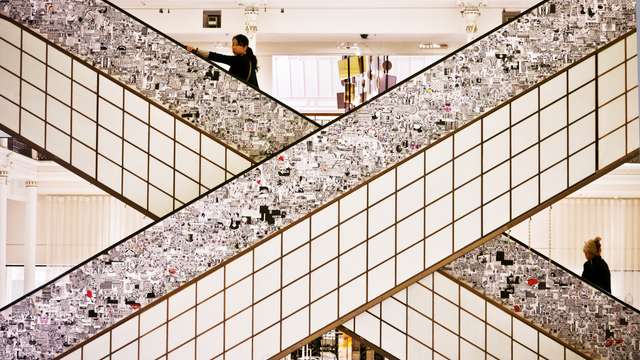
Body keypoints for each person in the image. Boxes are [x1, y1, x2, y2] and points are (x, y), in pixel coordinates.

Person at [187, 34, 259, 89]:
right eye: (233, 44)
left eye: (237, 45)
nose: (234, 47)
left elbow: (219, 57)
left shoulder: (241, 60)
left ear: (245, 47)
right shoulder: (249, 61)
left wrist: (196, 51)